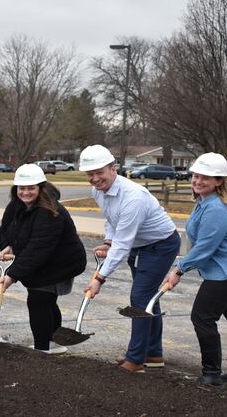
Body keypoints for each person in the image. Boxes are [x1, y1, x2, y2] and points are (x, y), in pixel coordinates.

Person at [79, 145, 181, 373]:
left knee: (140, 298)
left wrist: (99, 278)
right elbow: (112, 221)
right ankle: (153, 354)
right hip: (140, 246)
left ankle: (135, 361)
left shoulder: (133, 197)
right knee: (148, 298)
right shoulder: (99, 191)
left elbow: (123, 244)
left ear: (113, 168)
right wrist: (107, 241)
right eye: (90, 174)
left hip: (160, 245)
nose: (95, 178)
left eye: (100, 172)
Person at [163, 152, 227, 386]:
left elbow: (206, 246)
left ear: (219, 181)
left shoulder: (216, 208)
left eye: (205, 177)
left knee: (202, 317)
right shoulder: (204, 202)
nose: (197, 181)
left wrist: (178, 270)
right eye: (195, 175)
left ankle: (211, 374)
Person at [0, 164, 86, 354]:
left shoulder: (49, 212)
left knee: (38, 300)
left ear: (41, 188)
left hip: (60, 263)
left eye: (31, 188)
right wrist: (7, 245)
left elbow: (38, 248)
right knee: (46, 300)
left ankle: (42, 349)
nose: (25, 192)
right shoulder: (16, 205)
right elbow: (5, 229)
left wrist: (12, 275)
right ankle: (53, 342)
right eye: (22, 188)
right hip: (40, 262)